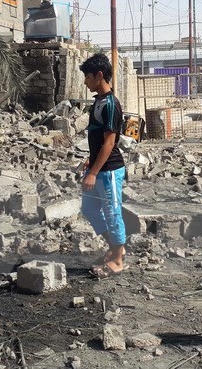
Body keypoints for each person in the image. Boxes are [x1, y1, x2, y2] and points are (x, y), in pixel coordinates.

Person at [79, 53, 127, 278]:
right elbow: (97, 139)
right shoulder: (97, 102)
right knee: (89, 208)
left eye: (88, 77)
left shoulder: (111, 104)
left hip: (109, 170)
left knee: (112, 212)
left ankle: (117, 260)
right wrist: (91, 160)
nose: (85, 82)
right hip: (97, 166)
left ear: (99, 75)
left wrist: (93, 172)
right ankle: (117, 247)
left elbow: (110, 142)